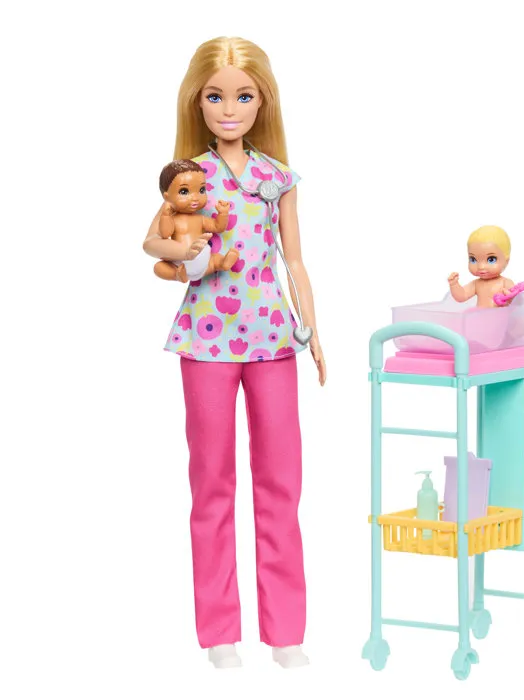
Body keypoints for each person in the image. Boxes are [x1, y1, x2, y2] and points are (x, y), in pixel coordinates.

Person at [143, 36, 326, 670]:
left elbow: (294, 259)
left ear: (262, 102)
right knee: (211, 482)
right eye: (216, 97)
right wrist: (183, 255)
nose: (229, 109)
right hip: (207, 339)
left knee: (281, 481)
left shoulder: (277, 177)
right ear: (196, 102)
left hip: (273, 337)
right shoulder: (189, 177)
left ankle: (286, 632)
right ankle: (220, 631)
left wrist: (312, 327)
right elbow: (157, 242)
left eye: (243, 97)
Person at [154, 159, 238, 283]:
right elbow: (165, 234)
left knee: (214, 259)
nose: (195, 198)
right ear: (167, 197)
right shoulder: (173, 219)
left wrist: (223, 214)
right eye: (184, 192)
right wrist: (165, 216)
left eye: (201, 190)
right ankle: (176, 275)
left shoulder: (200, 219)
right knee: (158, 267)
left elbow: (218, 227)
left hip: (204, 260)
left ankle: (221, 263)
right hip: (180, 262)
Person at [447, 225, 515, 307]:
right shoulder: (476, 284)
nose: (481, 267)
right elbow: (462, 296)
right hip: (479, 315)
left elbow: (517, 302)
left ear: (506, 261)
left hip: (500, 315)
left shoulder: (505, 283)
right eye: (473, 259)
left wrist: (511, 299)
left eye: (491, 259)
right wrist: (454, 284)